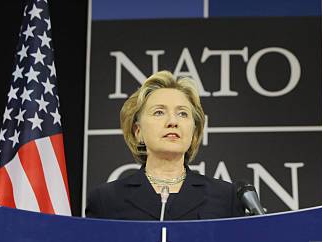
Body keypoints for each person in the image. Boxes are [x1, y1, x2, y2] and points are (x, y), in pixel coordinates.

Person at [86, 71, 244, 220]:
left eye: (182, 113)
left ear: (194, 131)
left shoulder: (225, 198)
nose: (173, 122)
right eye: (159, 112)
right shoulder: (106, 200)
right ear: (138, 131)